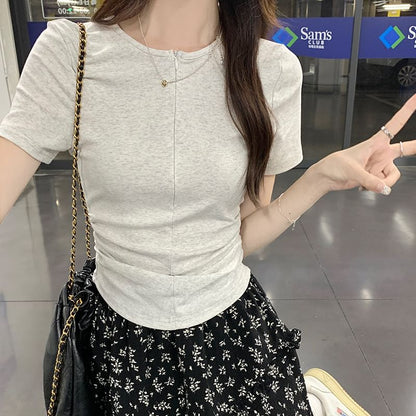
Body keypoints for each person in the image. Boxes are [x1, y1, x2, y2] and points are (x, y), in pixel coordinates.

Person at [0, 0, 415, 414]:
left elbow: (241, 234)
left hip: (229, 335)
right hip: (115, 344)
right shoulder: (73, 53)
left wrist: (320, 177)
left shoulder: (270, 70)